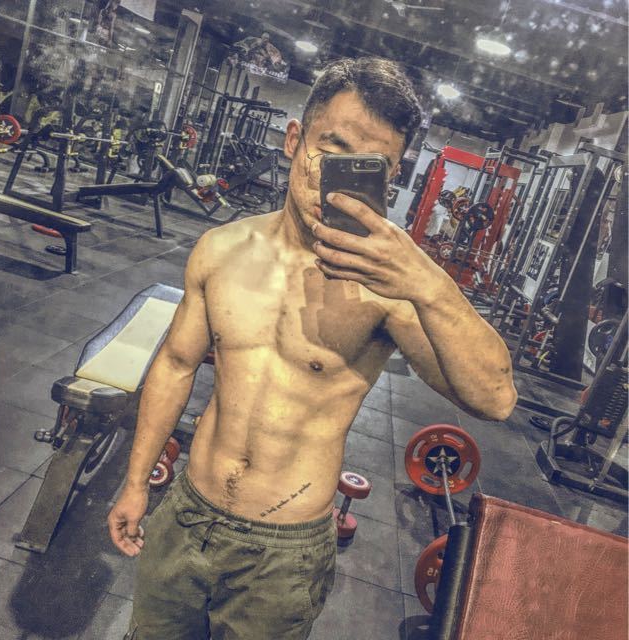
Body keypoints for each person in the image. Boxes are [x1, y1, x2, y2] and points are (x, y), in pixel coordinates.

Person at [109, 56, 517, 640]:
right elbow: (175, 365)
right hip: (188, 511)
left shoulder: (387, 289)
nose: (340, 179)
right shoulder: (221, 250)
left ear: (390, 178)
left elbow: (495, 399)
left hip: (284, 553)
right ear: (294, 140)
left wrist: (428, 283)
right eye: (333, 149)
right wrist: (135, 482)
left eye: (371, 166)